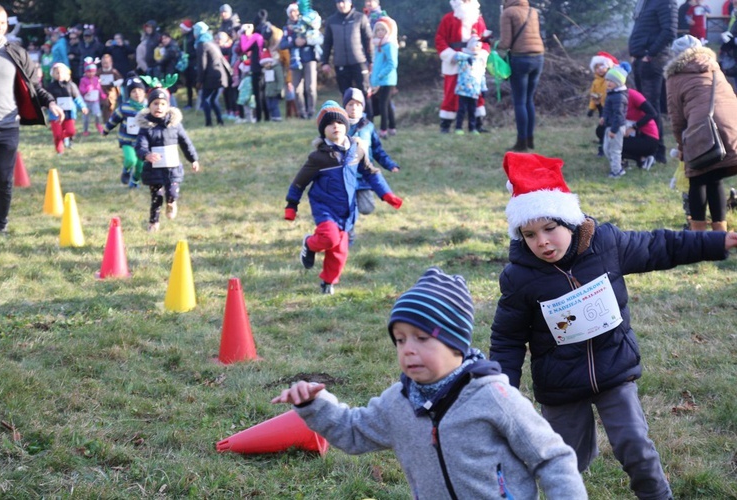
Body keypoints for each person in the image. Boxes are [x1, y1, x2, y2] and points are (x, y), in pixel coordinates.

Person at [490, 151, 737, 499]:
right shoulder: (519, 278)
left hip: (614, 369)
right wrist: (504, 393)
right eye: (529, 234)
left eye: (549, 229)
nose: (542, 241)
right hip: (560, 384)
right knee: (564, 463)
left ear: (569, 221)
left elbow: (659, 246)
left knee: (636, 446)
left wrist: (714, 241)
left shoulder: (606, 245)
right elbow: (507, 339)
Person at [273, 266, 588, 499]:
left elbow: (551, 457)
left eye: (422, 338)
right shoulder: (398, 402)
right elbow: (354, 431)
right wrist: (313, 404)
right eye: (399, 340)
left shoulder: (494, 396)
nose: (408, 349)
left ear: (455, 345)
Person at [283, 101, 402, 295]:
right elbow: (299, 182)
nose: (335, 126)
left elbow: (371, 173)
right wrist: (291, 205)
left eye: (339, 122)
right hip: (324, 207)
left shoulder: (357, 149)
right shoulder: (318, 158)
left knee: (340, 253)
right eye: (329, 124)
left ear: (346, 125)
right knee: (329, 238)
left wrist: (386, 194)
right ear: (323, 131)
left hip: (347, 209)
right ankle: (310, 243)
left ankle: (327, 283)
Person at [0, 2, 64, 234]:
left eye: (3, 23)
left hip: (8, 126)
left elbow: (34, 87)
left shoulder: (15, 52)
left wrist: (50, 101)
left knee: (4, 181)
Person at [666, 34, 737, 232]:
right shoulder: (714, 68)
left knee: (697, 179)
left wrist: (682, 147)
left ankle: (698, 236)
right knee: (715, 179)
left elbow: (676, 118)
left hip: (703, 132)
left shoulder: (675, 76)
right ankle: (720, 233)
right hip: (731, 130)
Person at [135, 85, 200, 232]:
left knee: (172, 192)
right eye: (155, 104)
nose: (159, 107)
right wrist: (146, 155)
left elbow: (185, 142)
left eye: (162, 104)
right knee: (156, 196)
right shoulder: (146, 127)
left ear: (168, 106)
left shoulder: (175, 125)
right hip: (154, 169)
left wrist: (193, 159)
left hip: (172, 168)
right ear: (149, 105)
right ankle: (153, 223)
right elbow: (140, 145)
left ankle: (171, 202)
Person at [628, 0, 678, 164]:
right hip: (641, 59)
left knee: (650, 107)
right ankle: (647, 149)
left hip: (652, 60)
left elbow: (669, 32)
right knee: (643, 107)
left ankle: (658, 151)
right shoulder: (645, 3)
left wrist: (650, 54)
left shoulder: (666, 2)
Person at [435, 0, 490, 134]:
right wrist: (451, 56)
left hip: (474, 63)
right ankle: (446, 125)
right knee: (451, 93)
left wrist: (482, 54)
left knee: (476, 93)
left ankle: (477, 123)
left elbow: (485, 41)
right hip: (455, 61)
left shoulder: (479, 19)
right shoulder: (448, 19)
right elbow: (440, 39)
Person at [343, 87, 399, 220]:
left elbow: (377, 149)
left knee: (367, 208)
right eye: (350, 104)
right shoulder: (339, 126)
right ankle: (348, 232)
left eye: (357, 104)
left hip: (364, 175)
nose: (354, 108)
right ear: (344, 106)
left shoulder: (368, 126)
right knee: (347, 212)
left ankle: (354, 209)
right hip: (345, 176)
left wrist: (390, 164)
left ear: (363, 107)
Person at [500, 0, 544, 151]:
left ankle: (521, 143)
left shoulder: (508, 13)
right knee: (529, 100)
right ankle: (530, 139)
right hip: (538, 58)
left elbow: (505, 43)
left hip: (520, 59)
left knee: (519, 102)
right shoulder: (533, 11)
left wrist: (491, 41)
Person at [321, 0, 374, 119]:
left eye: (343, 2)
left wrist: (371, 61)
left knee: (364, 92)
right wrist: (324, 62)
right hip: (340, 63)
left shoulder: (360, 18)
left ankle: (368, 121)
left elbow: (368, 41)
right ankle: (348, 122)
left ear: (350, 3)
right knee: (346, 95)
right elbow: (327, 43)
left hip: (359, 62)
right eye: (338, 2)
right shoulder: (331, 20)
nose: (341, 5)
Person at [103, 74, 147, 188]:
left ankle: (135, 181)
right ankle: (126, 170)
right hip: (126, 140)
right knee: (130, 160)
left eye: (139, 90)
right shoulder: (124, 107)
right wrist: (106, 129)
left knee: (140, 166)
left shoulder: (148, 108)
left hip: (142, 142)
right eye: (133, 91)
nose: (137, 93)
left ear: (144, 92)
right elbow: (114, 119)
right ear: (129, 94)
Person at [280, 2, 322, 120]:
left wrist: (306, 41)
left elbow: (319, 39)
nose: (293, 14)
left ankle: (311, 111)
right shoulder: (287, 29)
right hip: (294, 62)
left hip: (309, 59)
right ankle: (302, 112)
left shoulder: (308, 24)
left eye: (295, 11)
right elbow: (282, 44)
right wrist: (294, 42)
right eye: (290, 12)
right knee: (297, 90)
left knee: (310, 88)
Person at [46, 62, 87, 155]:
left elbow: (77, 98)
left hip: (69, 114)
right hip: (55, 116)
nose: (59, 75)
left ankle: (65, 138)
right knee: (57, 134)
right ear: (53, 74)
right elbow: (46, 98)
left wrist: (83, 106)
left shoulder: (71, 86)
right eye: (57, 73)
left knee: (71, 131)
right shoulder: (51, 87)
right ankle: (59, 151)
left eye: (62, 72)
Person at [194, 22, 228, 127]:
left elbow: (202, 65)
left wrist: (199, 81)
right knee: (213, 100)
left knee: (206, 100)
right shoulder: (211, 42)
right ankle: (220, 121)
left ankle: (209, 123)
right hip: (220, 75)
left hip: (211, 77)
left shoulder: (202, 45)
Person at [454, 35, 488, 136]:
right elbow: (456, 56)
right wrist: (467, 57)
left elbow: (482, 76)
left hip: (474, 91)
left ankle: (472, 128)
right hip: (463, 89)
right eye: (474, 45)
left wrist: (483, 88)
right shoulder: (463, 58)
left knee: (472, 110)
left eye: (478, 45)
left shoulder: (480, 61)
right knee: (461, 110)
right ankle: (458, 127)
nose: (475, 47)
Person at [370, 16, 398, 138]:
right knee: (387, 104)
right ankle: (392, 127)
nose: (380, 32)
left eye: (383, 30)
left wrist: (381, 75)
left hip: (387, 80)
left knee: (383, 104)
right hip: (380, 79)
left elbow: (392, 63)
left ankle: (383, 130)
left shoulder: (389, 45)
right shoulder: (378, 45)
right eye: (378, 30)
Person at [600, 66, 629, 179]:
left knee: (615, 150)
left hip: (616, 127)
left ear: (618, 82)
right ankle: (617, 166)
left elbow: (619, 115)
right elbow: (608, 109)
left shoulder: (619, 97)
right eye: (607, 80)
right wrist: (604, 117)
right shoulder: (611, 94)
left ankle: (617, 171)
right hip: (609, 125)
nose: (609, 83)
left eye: (612, 81)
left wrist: (614, 130)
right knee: (607, 149)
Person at [587, 51, 617, 156]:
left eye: (602, 66)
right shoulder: (595, 82)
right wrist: (591, 108)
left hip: (612, 109)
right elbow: (594, 96)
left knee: (609, 128)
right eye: (597, 67)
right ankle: (601, 148)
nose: (599, 69)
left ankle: (611, 147)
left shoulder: (611, 80)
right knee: (602, 128)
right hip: (601, 108)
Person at [622, 87, 659, 171]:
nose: (608, 83)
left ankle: (643, 158)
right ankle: (640, 159)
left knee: (615, 144)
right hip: (635, 134)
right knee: (603, 133)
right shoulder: (612, 95)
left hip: (648, 138)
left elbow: (652, 113)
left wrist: (634, 127)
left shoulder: (632, 94)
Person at [78, 59, 106, 136]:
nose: (91, 73)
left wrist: (102, 94)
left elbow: (99, 88)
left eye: (93, 71)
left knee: (97, 114)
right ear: (85, 72)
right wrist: (86, 89)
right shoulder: (83, 80)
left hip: (95, 101)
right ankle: (85, 130)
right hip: (86, 102)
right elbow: (80, 90)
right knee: (86, 118)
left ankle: (98, 124)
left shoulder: (96, 79)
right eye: (89, 71)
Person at [260, 48, 283, 121]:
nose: (266, 65)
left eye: (267, 63)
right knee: (269, 105)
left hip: (275, 90)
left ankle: (277, 117)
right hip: (268, 91)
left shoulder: (277, 68)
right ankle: (272, 117)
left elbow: (280, 79)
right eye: (265, 64)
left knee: (274, 105)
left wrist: (279, 89)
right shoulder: (266, 71)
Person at [178, 20, 198, 109]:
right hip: (186, 63)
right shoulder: (185, 37)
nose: (181, 30)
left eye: (182, 28)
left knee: (195, 83)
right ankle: (189, 103)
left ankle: (199, 101)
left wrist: (189, 55)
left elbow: (196, 50)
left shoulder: (193, 36)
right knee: (188, 84)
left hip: (193, 63)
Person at [98, 54, 123, 123]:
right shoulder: (99, 71)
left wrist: (114, 83)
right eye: (103, 63)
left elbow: (121, 80)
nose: (105, 65)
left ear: (111, 63)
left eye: (106, 63)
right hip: (102, 92)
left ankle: (112, 119)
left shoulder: (113, 71)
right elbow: (95, 79)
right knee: (105, 105)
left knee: (111, 106)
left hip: (112, 92)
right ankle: (106, 120)